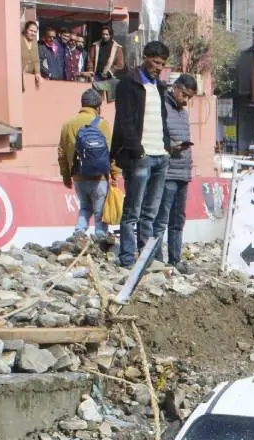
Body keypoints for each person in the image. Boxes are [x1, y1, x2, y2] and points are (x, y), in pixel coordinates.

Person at [111, 41, 172, 269]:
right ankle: (127, 259)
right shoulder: (128, 84)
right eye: (156, 62)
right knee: (132, 212)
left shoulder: (159, 86)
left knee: (150, 214)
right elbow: (125, 120)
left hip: (160, 156)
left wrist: (167, 148)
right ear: (145, 57)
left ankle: (146, 260)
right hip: (141, 156)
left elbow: (162, 120)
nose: (159, 67)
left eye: (162, 64)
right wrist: (137, 150)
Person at [152, 73, 199, 273]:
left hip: (183, 173)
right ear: (176, 88)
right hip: (168, 172)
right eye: (185, 95)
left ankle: (175, 258)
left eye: (190, 97)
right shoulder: (162, 107)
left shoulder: (182, 113)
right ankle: (156, 259)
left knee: (178, 219)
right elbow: (157, 136)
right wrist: (172, 147)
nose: (186, 101)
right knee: (162, 218)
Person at [58, 88, 117, 241]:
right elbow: (112, 152)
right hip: (99, 178)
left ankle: (78, 233)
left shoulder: (67, 124)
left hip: (78, 177)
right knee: (100, 212)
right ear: (98, 107)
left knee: (85, 207)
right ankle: (101, 240)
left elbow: (62, 153)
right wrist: (115, 175)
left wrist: (66, 176)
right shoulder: (102, 124)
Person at [21, 21, 40, 90]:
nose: (33, 33)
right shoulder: (19, 40)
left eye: (35, 32)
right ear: (26, 30)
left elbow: (36, 60)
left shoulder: (35, 43)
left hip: (30, 76)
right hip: (19, 77)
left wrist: (37, 72)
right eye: (31, 31)